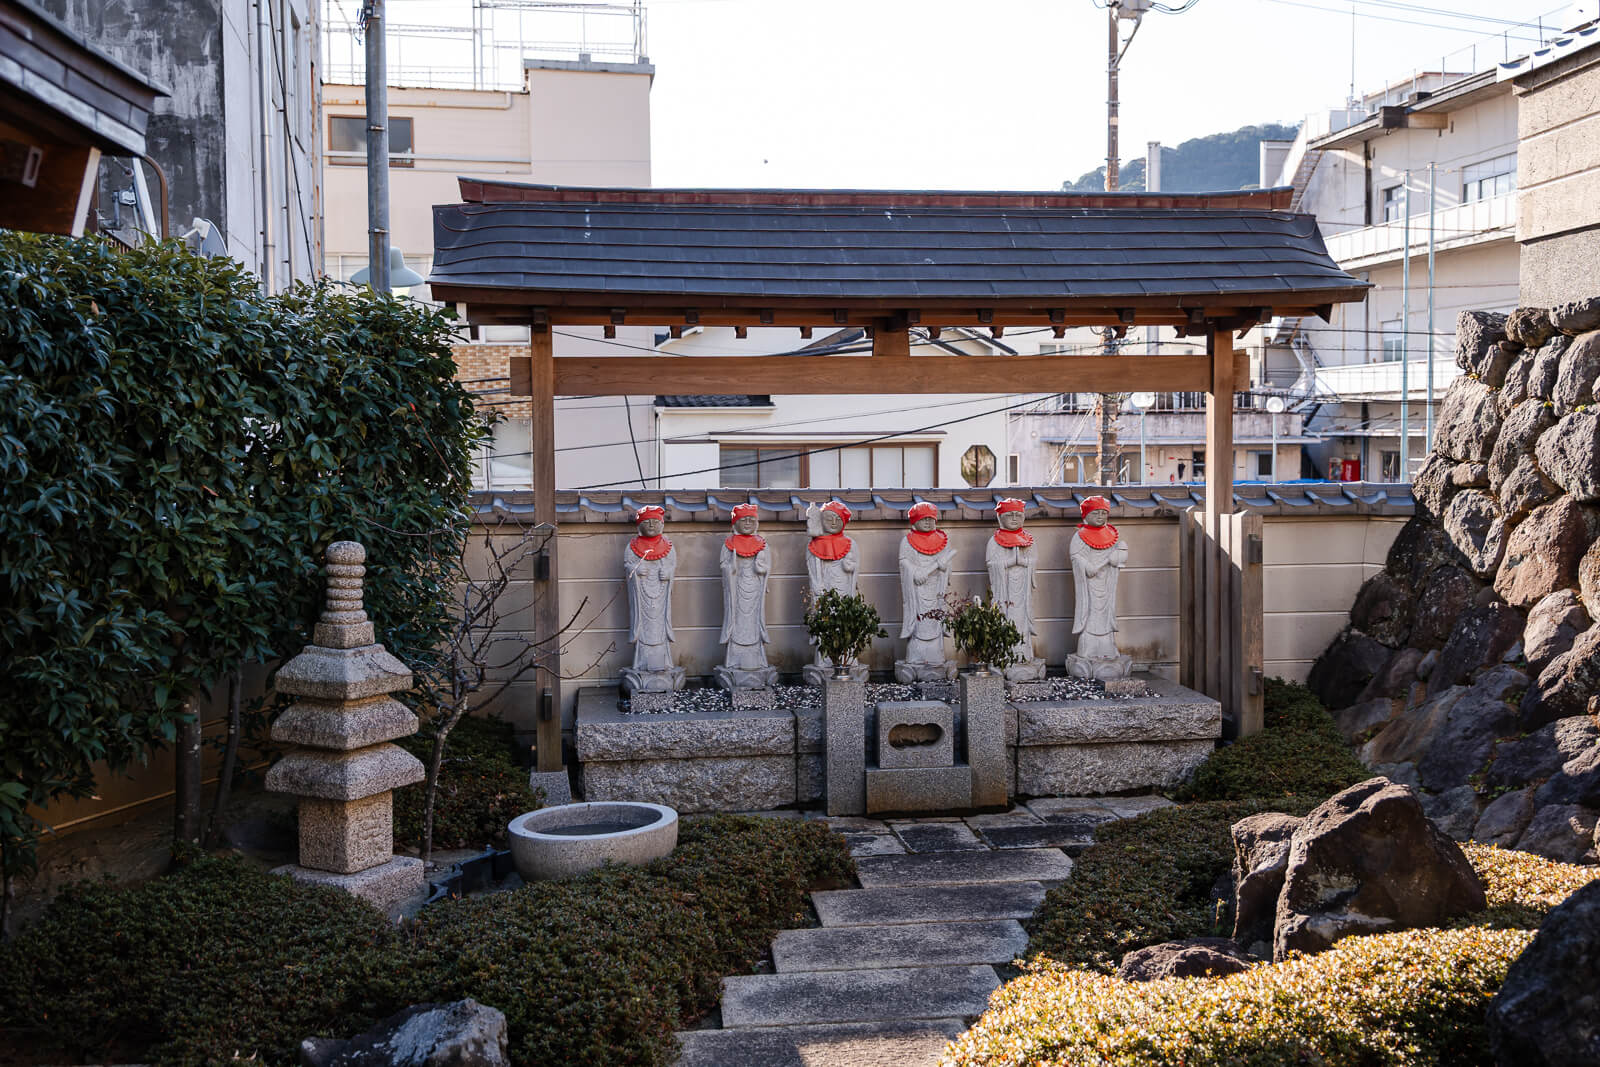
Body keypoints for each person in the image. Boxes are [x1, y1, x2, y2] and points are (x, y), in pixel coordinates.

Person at [1067, 495, 1133, 680]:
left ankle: (1108, 650)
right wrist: (1086, 566)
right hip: (1089, 587)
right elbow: (1077, 559)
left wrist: (1118, 556)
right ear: (1085, 515)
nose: (1100, 516)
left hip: (1106, 585)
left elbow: (1120, 555)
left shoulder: (1113, 535)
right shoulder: (1079, 537)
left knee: (1105, 617)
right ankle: (1087, 651)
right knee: (1090, 616)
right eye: (1095, 512)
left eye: (1104, 513)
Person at [622, 505, 685, 693]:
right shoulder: (631, 547)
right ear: (638, 525)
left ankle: (664, 662)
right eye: (646, 521)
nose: (651, 525)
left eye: (655, 522)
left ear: (662, 524)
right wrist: (634, 571)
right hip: (642, 601)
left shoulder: (668, 546)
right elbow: (628, 566)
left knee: (660, 629)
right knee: (643, 629)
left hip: (661, 600)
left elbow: (672, 566)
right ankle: (641, 664)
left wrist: (669, 574)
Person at [716, 503, 778, 690]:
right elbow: (724, 567)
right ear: (735, 522)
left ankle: (757, 659)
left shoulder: (762, 544)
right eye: (744, 519)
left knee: (755, 621)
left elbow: (766, 567)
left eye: (752, 519)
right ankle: (734, 660)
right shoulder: (728, 544)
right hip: (736, 591)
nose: (749, 523)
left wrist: (762, 569)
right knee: (736, 620)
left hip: (755, 591)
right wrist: (731, 568)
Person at [803, 500, 864, 684]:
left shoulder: (850, 543)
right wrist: (817, 586)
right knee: (825, 621)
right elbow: (813, 569)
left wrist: (850, 566)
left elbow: (855, 568)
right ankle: (825, 660)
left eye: (837, 519)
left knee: (844, 620)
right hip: (824, 590)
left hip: (844, 588)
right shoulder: (814, 544)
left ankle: (847, 660)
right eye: (829, 518)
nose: (833, 523)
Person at [896, 501, 956, 682]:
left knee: (935, 619)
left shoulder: (943, 540)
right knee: (919, 621)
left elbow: (946, 564)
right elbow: (904, 562)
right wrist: (915, 572)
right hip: (917, 591)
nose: (929, 522)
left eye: (931, 518)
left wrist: (945, 568)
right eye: (924, 519)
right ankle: (915, 658)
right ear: (914, 521)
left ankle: (936, 659)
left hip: (936, 589)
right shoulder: (907, 542)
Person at [985, 498, 1044, 680]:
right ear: (999, 517)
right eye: (1009, 515)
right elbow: (991, 564)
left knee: (1022, 624)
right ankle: (1003, 657)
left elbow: (1034, 561)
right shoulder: (994, 542)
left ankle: (1024, 657)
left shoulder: (1028, 540)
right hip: (1005, 594)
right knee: (1004, 619)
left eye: (1018, 515)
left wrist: (1025, 563)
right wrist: (1010, 563)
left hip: (1022, 594)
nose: (1014, 518)